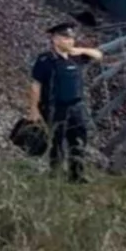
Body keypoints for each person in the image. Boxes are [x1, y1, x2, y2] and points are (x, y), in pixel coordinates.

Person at [29, 22, 103, 182]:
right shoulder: (45, 60)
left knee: (79, 140)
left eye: (71, 38)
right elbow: (36, 85)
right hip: (55, 107)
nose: (70, 41)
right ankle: (55, 174)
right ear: (55, 40)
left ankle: (76, 175)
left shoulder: (76, 57)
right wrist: (34, 109)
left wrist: (81, 50)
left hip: (76, 106)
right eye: (65, 38)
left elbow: (99, 55)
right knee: (57, 141)